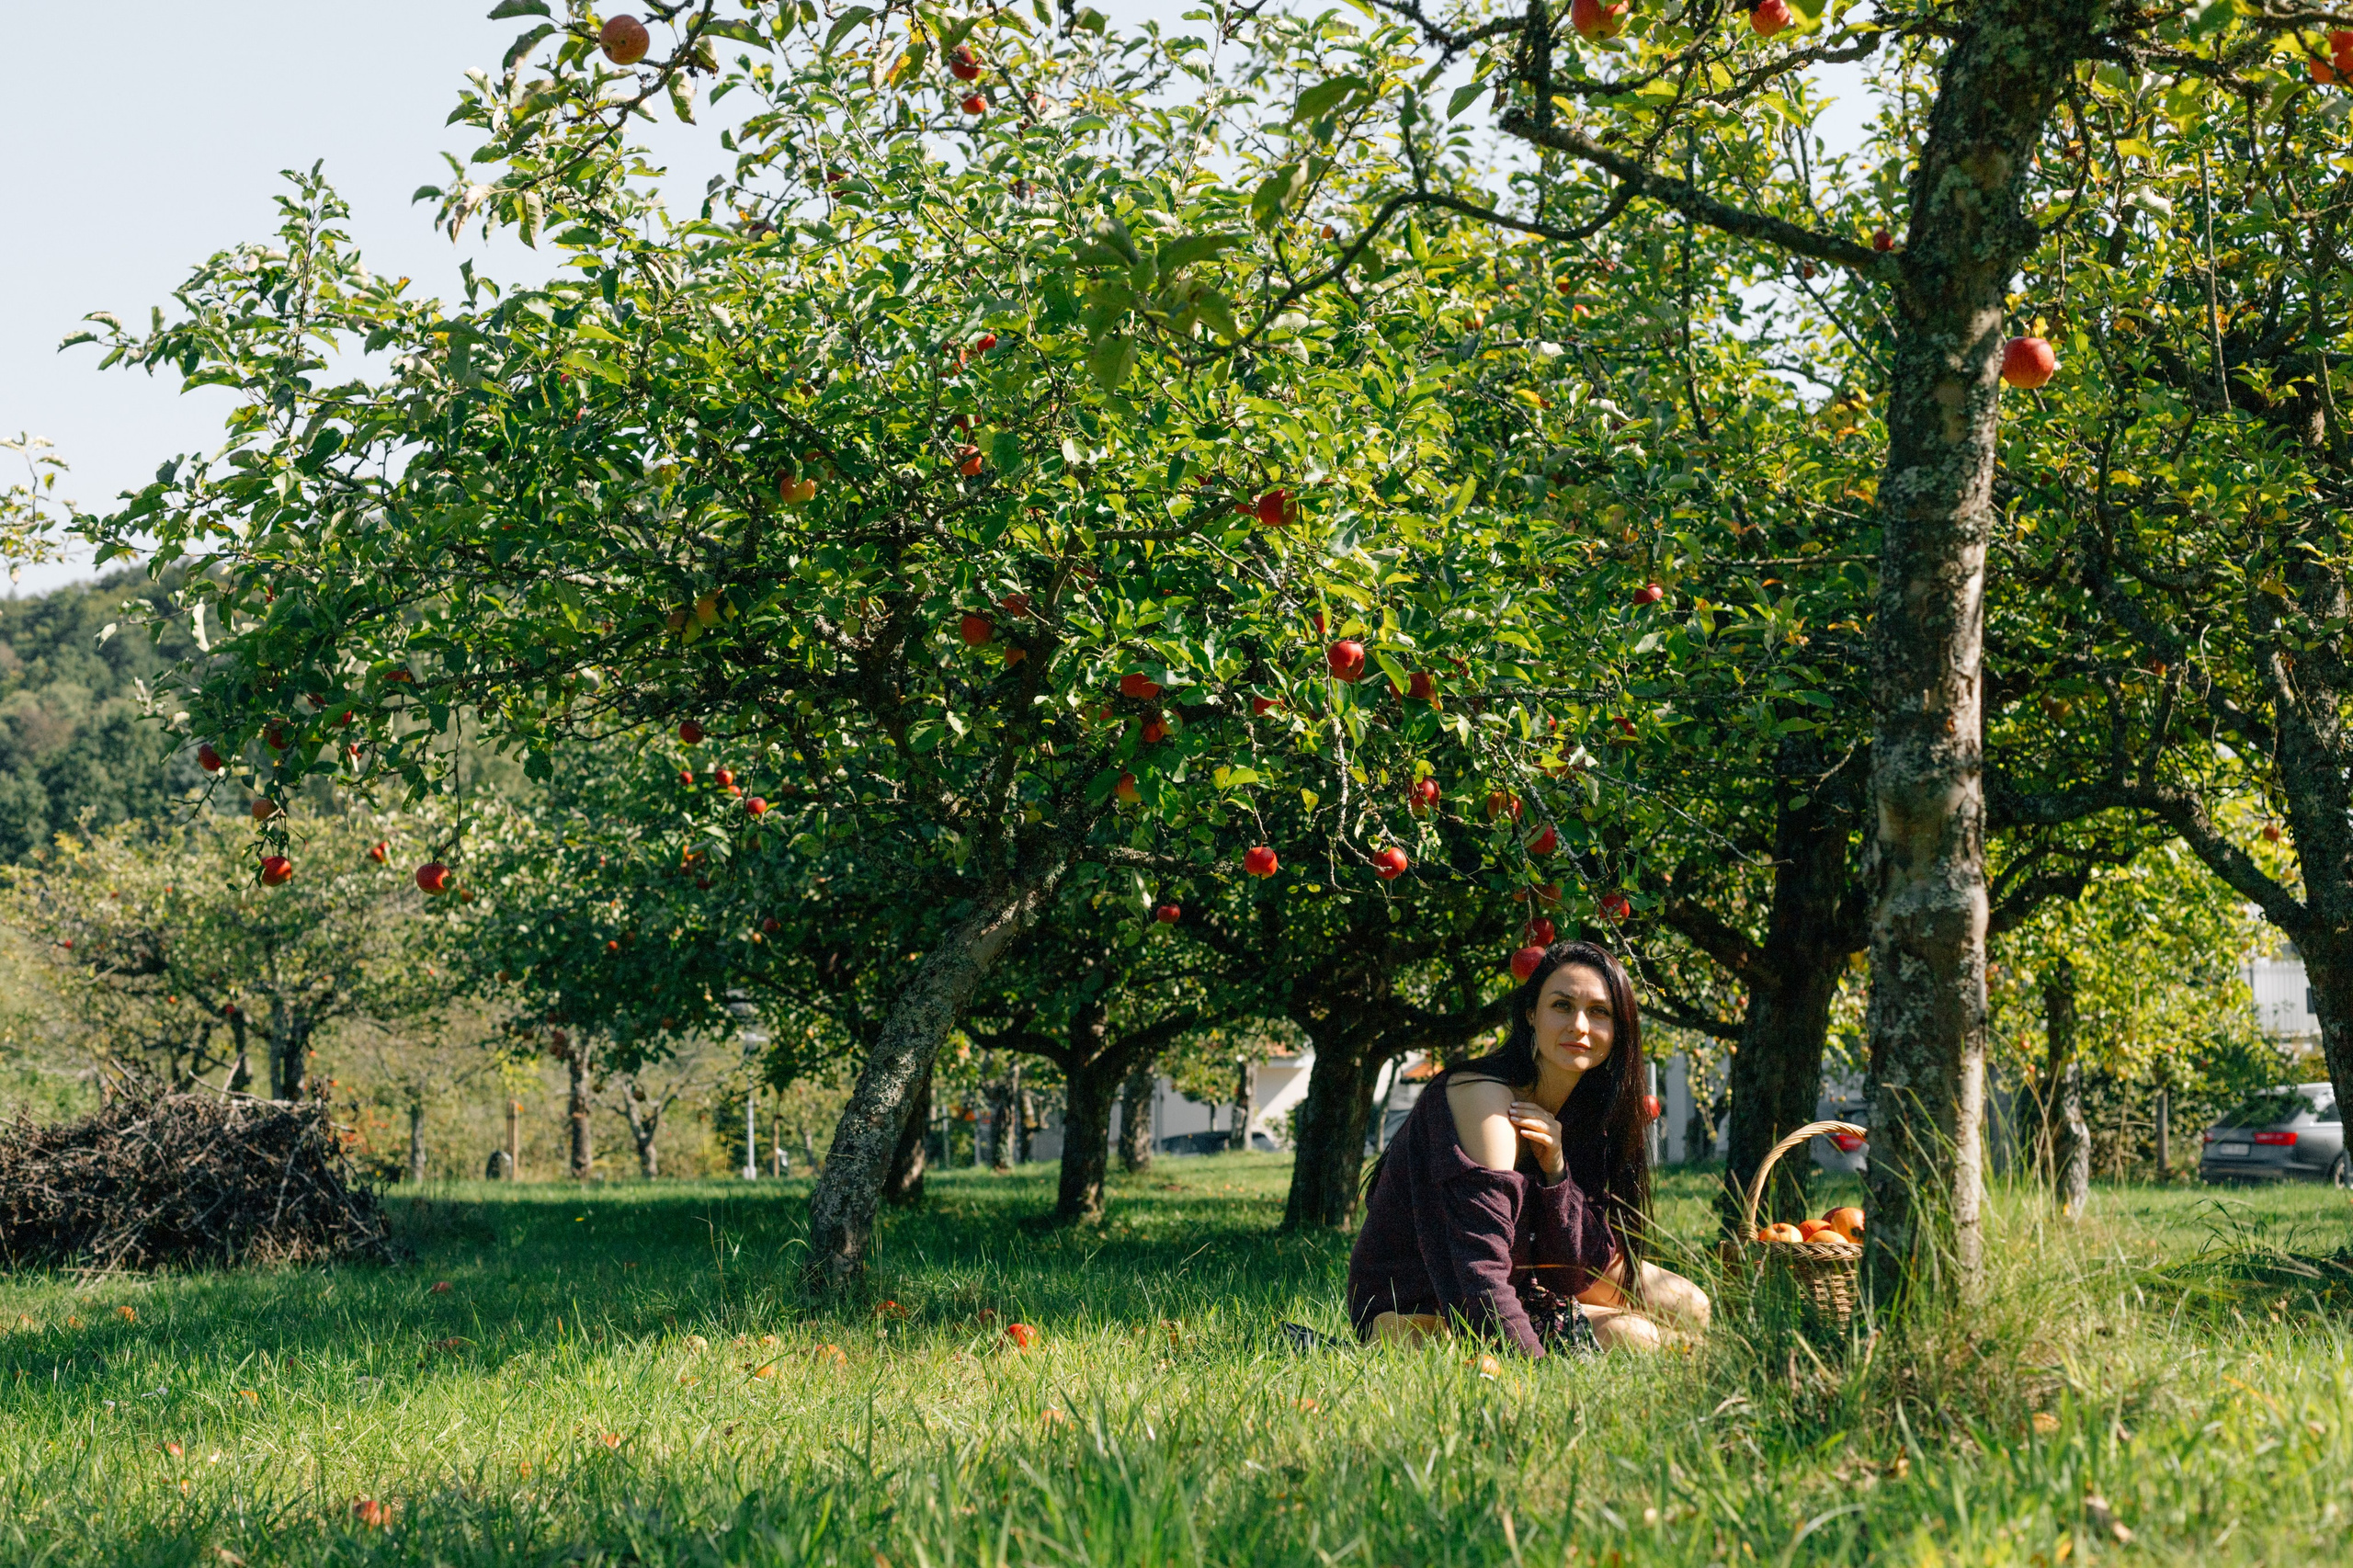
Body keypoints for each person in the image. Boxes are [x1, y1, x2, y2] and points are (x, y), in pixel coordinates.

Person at [1345, 939, 1711, 1355]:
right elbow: (1477, 1267)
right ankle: (1399, 1339)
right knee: (1639, 1338)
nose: (1580, 1025)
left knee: (1691, 1305)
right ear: (1530, 1015)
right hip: (1432, 1297)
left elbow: (1572, 1272)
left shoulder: (1590, 1112)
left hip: (1526, 1280)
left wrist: (1556, 1173)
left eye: (1599, 1012)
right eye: (1561, 1005)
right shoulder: (1485, 1102)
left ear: (1618, 1031)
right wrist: (1527, 1370)